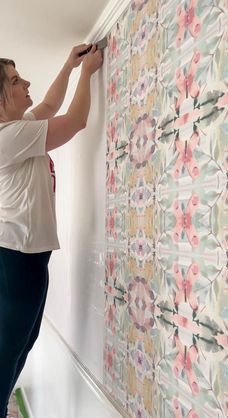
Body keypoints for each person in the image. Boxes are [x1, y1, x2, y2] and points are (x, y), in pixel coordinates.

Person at [0, 43, 103, 418]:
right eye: (14, 80)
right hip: (15, 258)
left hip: (28, 257)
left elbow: (48, 106)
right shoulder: (7, 136)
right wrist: (88, 73)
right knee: (8, 353)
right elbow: (74, 121)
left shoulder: (17, 126)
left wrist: (69, 66)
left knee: (21, 346)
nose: (25, 82)